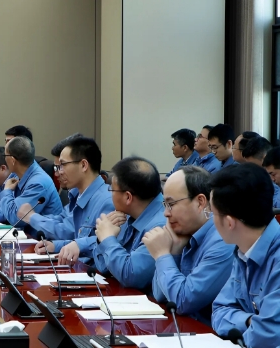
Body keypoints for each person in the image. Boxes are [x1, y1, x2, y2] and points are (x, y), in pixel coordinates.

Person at [208, 164, 280, 348]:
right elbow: (219, 311)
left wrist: (246, 324)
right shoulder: (244, 250)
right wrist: (251, 321)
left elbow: (269, 337)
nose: (211, 219)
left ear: (229, 222)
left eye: (212, 213)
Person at [145, 166, 235, 323]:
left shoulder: (223, 240)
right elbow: (160, 295)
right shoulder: (185, 233)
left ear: (200, 202)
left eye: (171, 204)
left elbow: (183, 302)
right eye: (165, 205)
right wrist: (174, 252)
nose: (166, 213)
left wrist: (162, 255)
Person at [30, 135, 113, 265]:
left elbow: (105, 245)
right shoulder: (78, 195)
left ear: (83, 165)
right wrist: (55, 246)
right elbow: (77, 240)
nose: (58, 172)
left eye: (62, 165)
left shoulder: (108, 201)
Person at [92, 157, 167, 290]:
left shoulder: (161, 225)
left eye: (112, 190)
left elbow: (131, 276)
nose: (110, 195)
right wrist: (102, 239)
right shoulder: (127, 215)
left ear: (128, 197)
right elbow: (105, 268)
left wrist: (107, 239)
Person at [0, 135, 63, 228]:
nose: (4, 160)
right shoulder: (17, 174)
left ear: (12, 160)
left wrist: (7, 191)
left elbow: (16, 218)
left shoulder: (38, 183)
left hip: (41, 236)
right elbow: (2, 208)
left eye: (5, 156)